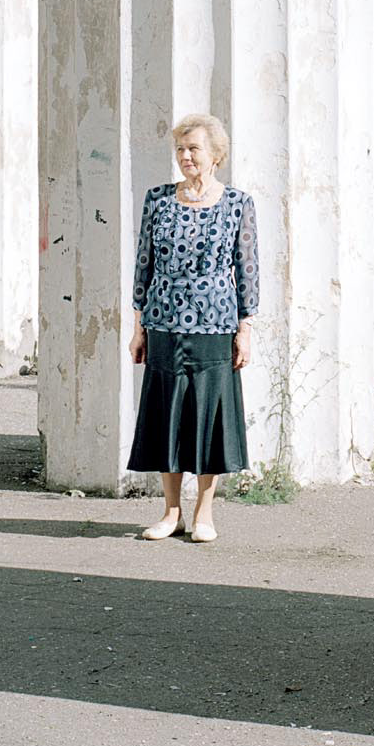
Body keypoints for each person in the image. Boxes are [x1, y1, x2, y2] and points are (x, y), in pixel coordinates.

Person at [126, 112, 259, 542]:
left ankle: (205, 513)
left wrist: (246, 328)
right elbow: (144, 264)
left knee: (208, 419)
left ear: (215, 155)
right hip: (164, 323)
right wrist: (138, 325)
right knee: (169, 419)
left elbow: (247, 270)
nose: (186, 156)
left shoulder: (237, 204)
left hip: (215, 325)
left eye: (194, 149)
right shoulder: (159, 200)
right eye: (181, 149)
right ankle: (170, 512)